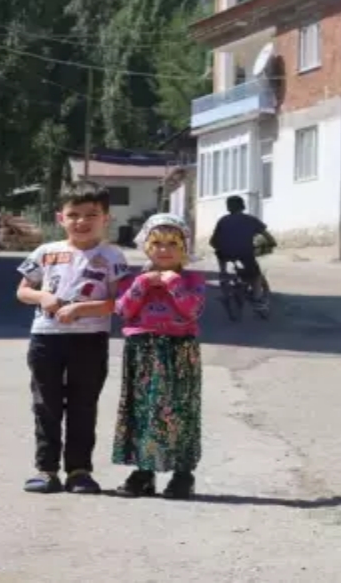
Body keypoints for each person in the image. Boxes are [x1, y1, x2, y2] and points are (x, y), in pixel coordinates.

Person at [16, 182, 130, 495]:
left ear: (106, 218)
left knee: (83, 406)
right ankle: (46, 469)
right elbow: (23, 291)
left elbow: (118, 302)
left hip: (90, 340)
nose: (82, 221)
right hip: (46, 339)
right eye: (74, 214)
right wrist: (43, 297)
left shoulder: (112, 256)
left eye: (91, 214)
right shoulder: (46, 253)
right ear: (60, 218)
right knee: (46, 405)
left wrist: (82, 308)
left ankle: (79, 471)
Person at [112, 213, 207, 500]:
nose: (164, 250)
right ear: (146, 246)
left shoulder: (192, 279)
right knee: (143, 410)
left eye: (172, 243)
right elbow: (122, 310)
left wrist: (174, 284)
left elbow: (192, 310)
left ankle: (182, 474)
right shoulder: (133, 279)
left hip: (179, 350)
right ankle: (144, 471)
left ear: (184, 248)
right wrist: (143, 284)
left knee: (179, 411)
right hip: (142, 349)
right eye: (157, 243)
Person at [209, 195, 275, 306]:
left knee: (220, 253)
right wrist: (272, 243)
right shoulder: (250, 219)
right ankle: (257, 298)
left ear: (228, 207)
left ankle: (223, 273)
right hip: (245, 252)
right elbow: (266, 235)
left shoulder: (223, 220)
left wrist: (220, 246)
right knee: (256, 275)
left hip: (226, 253)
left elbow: (213, 241)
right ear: (242, 206)